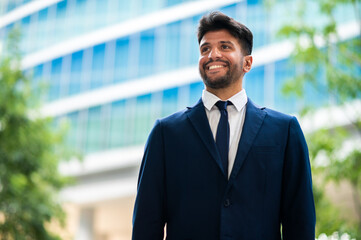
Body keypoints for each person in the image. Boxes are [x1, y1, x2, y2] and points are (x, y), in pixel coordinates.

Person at [132, 11, 315, 240]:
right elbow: (146, 224)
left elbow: (300, 222)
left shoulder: (285, 130)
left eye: (225, 47)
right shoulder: (165, 133)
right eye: (205, 49)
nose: (212, 54)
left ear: (247, 62)